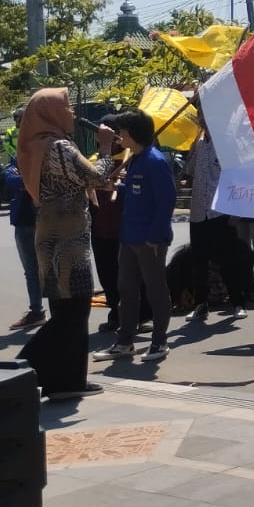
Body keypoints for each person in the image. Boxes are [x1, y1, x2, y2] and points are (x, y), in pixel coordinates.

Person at [15, 88, 120, 401]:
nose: (73, 114)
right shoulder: (58, 146)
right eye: (68, 108)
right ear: (51, 112)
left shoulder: (37, 144)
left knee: (67, 310)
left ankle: (65, 381)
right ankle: (22, 367)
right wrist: (104, 148)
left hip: (51, 235)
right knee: (73, 313)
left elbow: (78, 178)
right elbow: (96, 178)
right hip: (68, 241)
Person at [91, 109, 177, 363]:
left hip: (149, 240)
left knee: (155, 290)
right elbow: (138, 191)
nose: (119, 136)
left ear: (134, 133)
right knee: (126, 290)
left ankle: (159, 341)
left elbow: (166, 201)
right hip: (128, 238)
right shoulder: (137, 159)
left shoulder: (155, 161)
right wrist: (118, 187)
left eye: (123, 132)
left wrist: (154, 237)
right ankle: (125, 342)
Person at [185, 108, 254, 323]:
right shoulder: (197, 144)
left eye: (207, 116)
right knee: (199, 262)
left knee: (228, 260)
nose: (203, 121)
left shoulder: (226, 145)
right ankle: (201, 304)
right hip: (198, 212)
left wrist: (236, 209)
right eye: (200, 117)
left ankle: (237, 302)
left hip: (220, 211)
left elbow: (238, 177)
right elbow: (189, 172)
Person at [88, 119, 127, 334]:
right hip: (100, 227)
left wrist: (124, 181)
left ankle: (133, 314)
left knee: (127, 275)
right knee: (107, 273)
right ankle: (115, 311)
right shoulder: (95, 161)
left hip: (123, 228)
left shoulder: (130, 160)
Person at [4, 156, 44, 330]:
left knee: (53, 269)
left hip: (45, 222)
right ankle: (36, 311)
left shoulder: (48, 155)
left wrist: (27, 178)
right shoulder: (19, 159)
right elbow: (9, 179)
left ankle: (61, 314)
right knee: (31, 271)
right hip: (22, 223)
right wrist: (32, 177)